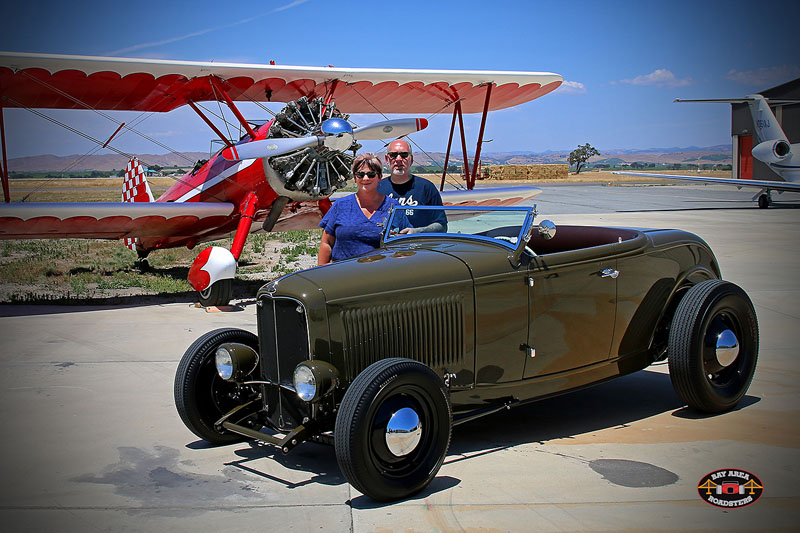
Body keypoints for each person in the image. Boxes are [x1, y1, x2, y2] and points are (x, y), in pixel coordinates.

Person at [317, 153, 408, 265]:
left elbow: (405, 240)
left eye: (371, 174)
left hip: (381, 272)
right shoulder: (340, 206)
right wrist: (322, 272)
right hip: (343, 273)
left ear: (379, 177)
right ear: (355, 178)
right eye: (360, 174)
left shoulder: (393, 207)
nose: (365, 178)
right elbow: (326, 243)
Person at [378, 139, 447, 233]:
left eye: (404, 155)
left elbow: (442, 225)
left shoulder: (426, 187)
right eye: (393, 155)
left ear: (411, 160)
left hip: (418, 245)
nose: (398, 159)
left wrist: (418, 231)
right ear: (387, 159)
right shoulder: (378, 188)